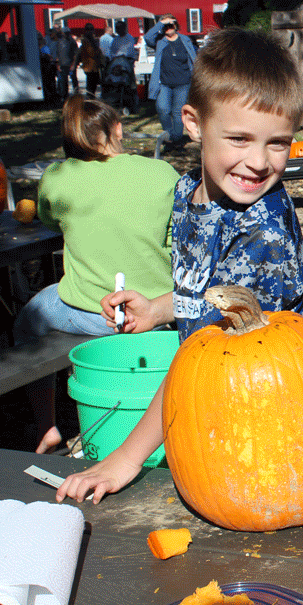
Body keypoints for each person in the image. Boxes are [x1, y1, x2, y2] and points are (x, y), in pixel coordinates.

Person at [56, 27, 303, 503]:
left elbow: (208, 355)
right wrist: (157, 308)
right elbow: (209, 288)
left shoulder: (263, 233)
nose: (259, 162)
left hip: (261, 414)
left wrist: (125, 458)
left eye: (278, 143)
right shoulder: (186, 193)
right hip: (210, 400)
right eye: (239, 138)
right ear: (193, 124)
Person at [15, 94, 178, 453]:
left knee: (27, 319)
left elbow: (45, 217)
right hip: (159, 306)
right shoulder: (162, 172)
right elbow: (174, 235)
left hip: (89, 310)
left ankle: (47, 427)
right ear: (118, 128)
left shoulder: (58, 176)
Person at [144, 13, 196, 152]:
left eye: (170, 25)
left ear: (176, 25)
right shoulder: (160, 42)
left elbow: (193, 58)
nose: (168, 28)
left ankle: (177, 139)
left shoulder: (185, 40)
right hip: (164, 83)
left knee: (178, 112)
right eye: (165, 26)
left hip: (183, 83)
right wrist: (161, 23)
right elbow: (147, 37)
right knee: (162, 109)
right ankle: (169, 135)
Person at [74, 23, 103, 96]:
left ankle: (91, 98)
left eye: (92, 30)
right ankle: (90, 100)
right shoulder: (87, 41)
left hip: (93, 67)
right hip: (90, 67)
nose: (91, 32)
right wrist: (98, 52)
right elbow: (92, 53)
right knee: (91, 86)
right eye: (89, 30)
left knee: (93, 85)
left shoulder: (90, 40)